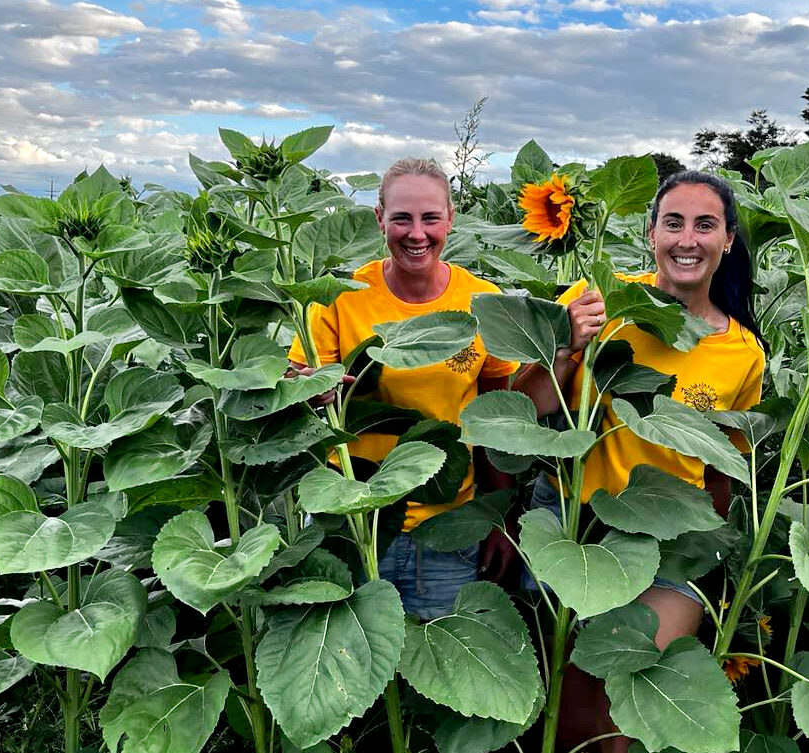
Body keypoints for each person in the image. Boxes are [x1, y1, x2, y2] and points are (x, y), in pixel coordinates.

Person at [514, 170, 765, 752]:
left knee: (623, 718)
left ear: (727, 241)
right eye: (673, 222)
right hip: (583, 529)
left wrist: (713, 550)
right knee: (576, 713)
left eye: (706, 225)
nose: (688, 239)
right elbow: (528, 409)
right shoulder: (602, 298)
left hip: (673, 542)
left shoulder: (742, 351)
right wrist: (568, 343)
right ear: (651, 232)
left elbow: (729, 460)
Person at [288, 157, 518, 619]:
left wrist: (498, 518)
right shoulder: (340, 295)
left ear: (451, 218)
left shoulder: (483, 303)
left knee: (441, 666)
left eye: (431, 217)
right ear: (380, 219)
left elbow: (496, 421)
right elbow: (297, 383)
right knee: (349, 668)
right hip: (350, 517)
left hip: (446, 520)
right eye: (402, 218)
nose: (417, 233)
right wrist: (306, 389)